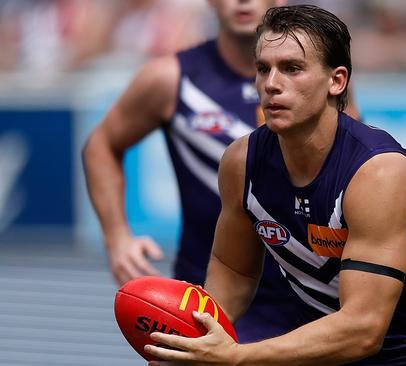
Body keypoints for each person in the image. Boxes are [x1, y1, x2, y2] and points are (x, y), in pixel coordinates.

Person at [145, 4, 406, 365]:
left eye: (292, 69)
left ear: (336, 81)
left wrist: (234, 357)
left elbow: (363, 330)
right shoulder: (241, 162)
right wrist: (195, 340)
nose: (271, 84)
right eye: (263, 69)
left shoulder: (378, 174)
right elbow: (234, 269)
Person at [83, 0, 340, 343]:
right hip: (213, 297)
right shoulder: (170, 77)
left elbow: (350, 176)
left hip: (310, 297)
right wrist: (117, 238)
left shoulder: (322, 82)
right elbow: (101, 145)